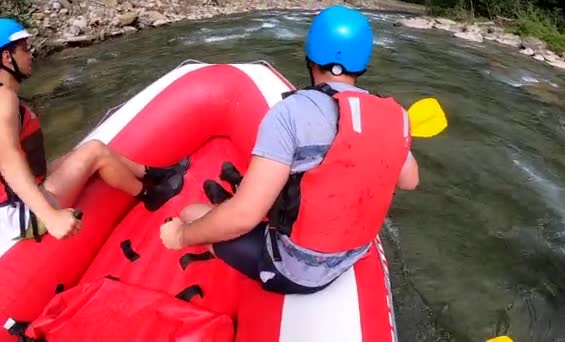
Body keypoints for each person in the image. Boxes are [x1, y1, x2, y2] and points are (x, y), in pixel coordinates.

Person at [159, 5, 419, 295]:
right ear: (363, 63)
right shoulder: (395, 116)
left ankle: (215, 212)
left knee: (191, 212)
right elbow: (410, 180)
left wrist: (181, 235)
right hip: (352, 254)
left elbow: (245, 216)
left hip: (296, 271)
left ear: (311, 57)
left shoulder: (290, 113)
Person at [0, 17, 187, 249]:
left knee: (88, 149)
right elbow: (8, 161)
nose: (31, 56)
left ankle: (156, 173)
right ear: (7, 58)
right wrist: (51, 217)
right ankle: (150, 196)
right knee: (94, 152)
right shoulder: (4, 99)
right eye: (24, 50)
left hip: (16, 199)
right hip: (19, 215)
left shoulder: (7, 96)